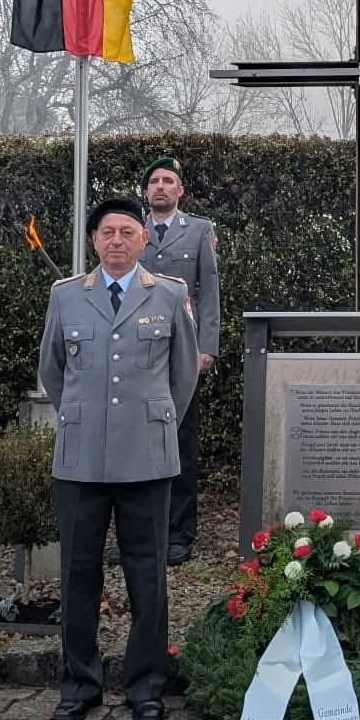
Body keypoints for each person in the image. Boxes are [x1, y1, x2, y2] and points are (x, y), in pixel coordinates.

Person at [40, 197, 200, 720]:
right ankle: (79, 684)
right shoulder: (66, 298)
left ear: (143, 241)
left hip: (147, 457)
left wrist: (152, 423)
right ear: (93, 240)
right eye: (107, 232)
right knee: (78, 573)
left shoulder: (170, 295)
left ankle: (145, 685)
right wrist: (85, 421)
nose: (116, 241)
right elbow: (54, 372)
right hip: (82, 459)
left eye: (126, 232)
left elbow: (183, 376)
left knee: (147, 575)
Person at [136, 155, 220, 566]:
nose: (161, 187)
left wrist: (207, 346)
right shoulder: (131, 231)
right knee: (137, 443)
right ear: (146, 190)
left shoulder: (200, 231)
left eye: (168, 181)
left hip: (182, 354)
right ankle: (143, 532)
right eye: (154, 181)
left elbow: (209, 291)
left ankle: (179, 533)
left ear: (180, 190)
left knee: (181, 442)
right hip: (139, 355)